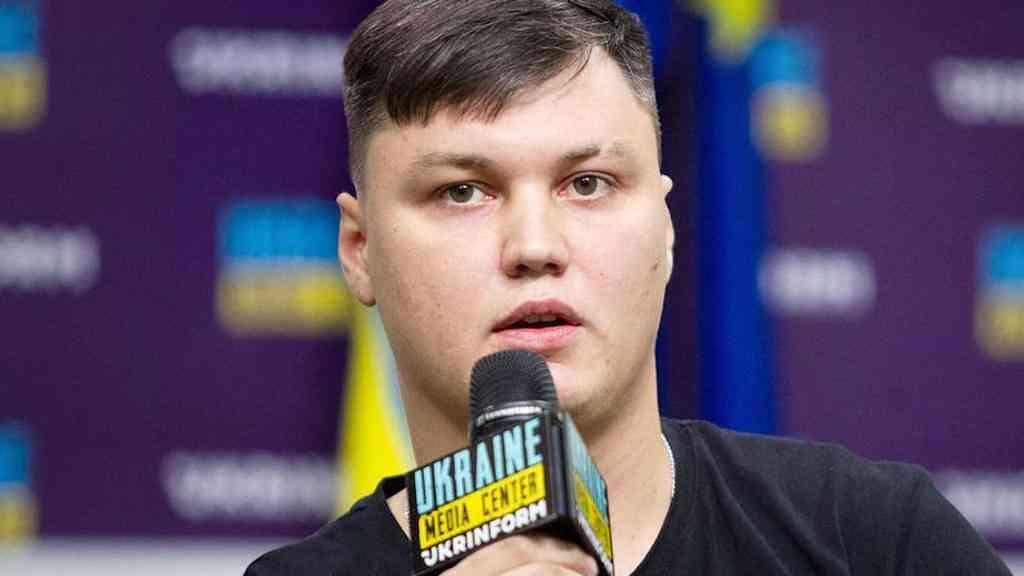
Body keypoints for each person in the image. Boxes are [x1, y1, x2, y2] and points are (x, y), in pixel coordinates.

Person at [246, 0, 1011, 574]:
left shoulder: (875, 541)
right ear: (360, 250)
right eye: (463, 192)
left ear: (667, 227)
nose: (535, 247)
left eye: (588, 183)